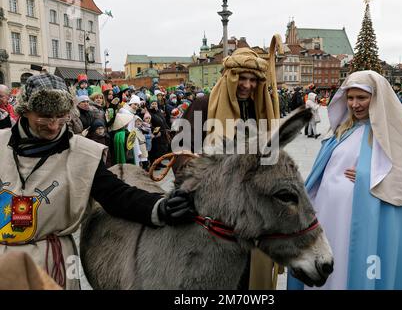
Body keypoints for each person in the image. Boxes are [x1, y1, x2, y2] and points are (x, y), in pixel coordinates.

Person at [0, 73, 197, 290]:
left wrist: (160, 206)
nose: (54, 126)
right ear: (24, 110)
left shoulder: (82, 154)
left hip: (50, 264)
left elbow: (116, 195)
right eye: (45, 117)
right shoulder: (1, 144)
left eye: (62, 116)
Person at [287, 70, 402, 290]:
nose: (355, 104)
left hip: (358, 219)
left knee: (351, 265)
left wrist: (370, 176)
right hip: (328, 218)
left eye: (362, 98)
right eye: (350, 98)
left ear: (377, 98)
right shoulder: (343, 130)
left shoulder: (395, 134)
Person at [175, 43, 282, 290]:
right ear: (229, 77)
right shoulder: (202, 106)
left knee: (250, 279)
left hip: (255, 215)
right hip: (214, 217)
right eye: (241, 78)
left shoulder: (260, 111)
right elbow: (181, 158)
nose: (247, 85)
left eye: (253, 80)